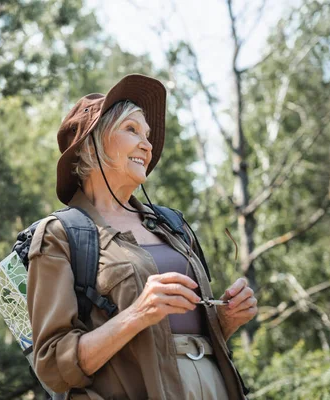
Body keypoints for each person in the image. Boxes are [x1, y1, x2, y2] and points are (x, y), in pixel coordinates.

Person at [26, 74, 257, 400]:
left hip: (214, 387)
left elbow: (188, 332)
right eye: (131, 130)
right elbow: (52, 365)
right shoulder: (60, 235)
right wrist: (137, 314)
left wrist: (224, 319)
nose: (147, 144)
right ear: (91, 145)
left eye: (147, 135)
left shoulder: (172, 224)